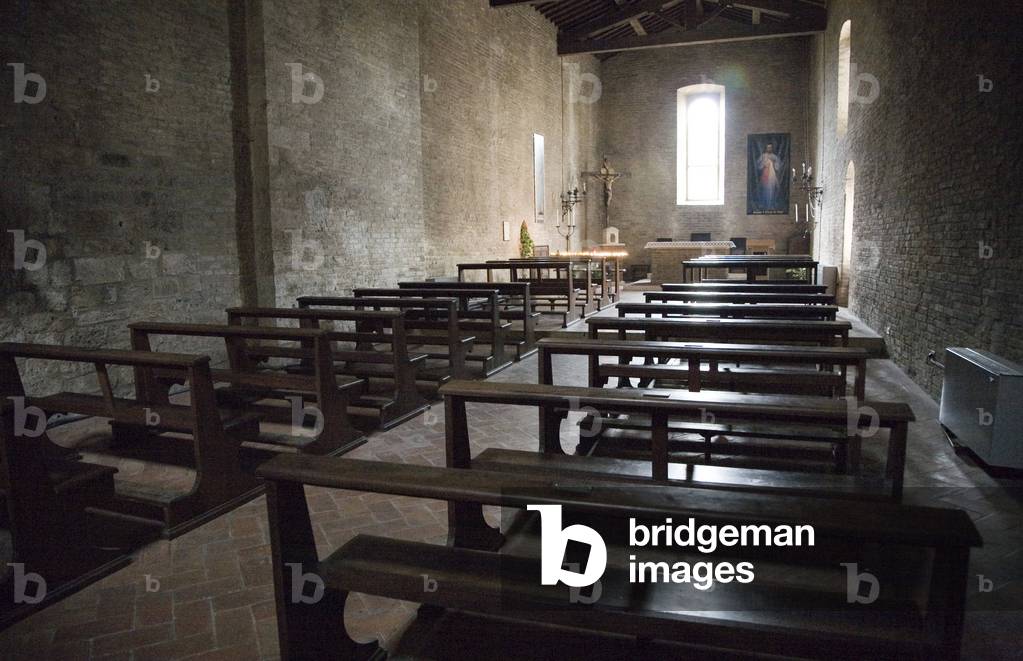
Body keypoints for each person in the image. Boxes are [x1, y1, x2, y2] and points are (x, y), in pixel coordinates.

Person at [757, 143, 783, 208]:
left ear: (772, 148)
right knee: (764, 190)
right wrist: (764, 164)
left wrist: (773, 163)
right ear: (766, 148)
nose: (769, 149)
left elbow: (778, 166)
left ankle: (771, 204)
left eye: (770, 147)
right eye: (768, 147)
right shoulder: (763, 156)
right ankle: (764, 204)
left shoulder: (774, 156)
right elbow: (758, 165)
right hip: (765, 176)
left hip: (772, 176)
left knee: (772, 190)